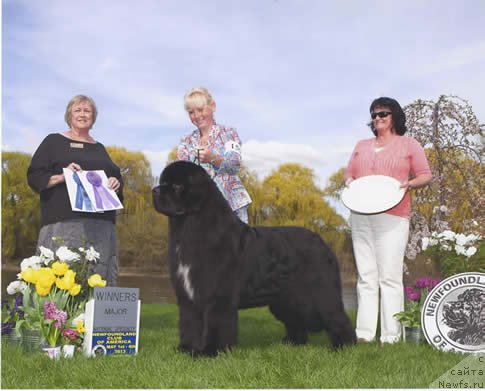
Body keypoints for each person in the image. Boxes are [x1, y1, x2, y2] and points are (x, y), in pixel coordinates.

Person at [344, 97, 432, 344]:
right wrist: (349, 182)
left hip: (393, 215)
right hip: (360, 216)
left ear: (395, 116)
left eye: (383, 113)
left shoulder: (409, 144)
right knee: (366, 276)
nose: (377, 118)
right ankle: (364, 334)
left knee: (390, 277)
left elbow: (425, 175)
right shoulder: (361, 145)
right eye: (373, 114)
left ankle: (391, 336)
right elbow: (348, 174)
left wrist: (409, 184)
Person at [27, 95, 123, 286]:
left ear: (93, 117)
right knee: (62, 280)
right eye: (77, 110)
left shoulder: (99, 148)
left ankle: (98, 316)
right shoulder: (53, 141)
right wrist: (63, 176)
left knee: (98, 280)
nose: (82, 114)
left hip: (101, 225)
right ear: (69, 115)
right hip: (63, 222)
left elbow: (115, 176)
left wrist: (115, 182)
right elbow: (34, 175)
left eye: (87, 111)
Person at [177, 87, 251, 223]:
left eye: (200, 110)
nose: (196, 116)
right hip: (199, 210)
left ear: (213, 106)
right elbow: (181, 176)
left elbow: (234, 165)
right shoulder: (185, 142)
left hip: (231, 208)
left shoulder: (228, 133)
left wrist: (213, 158)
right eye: (191, 112)